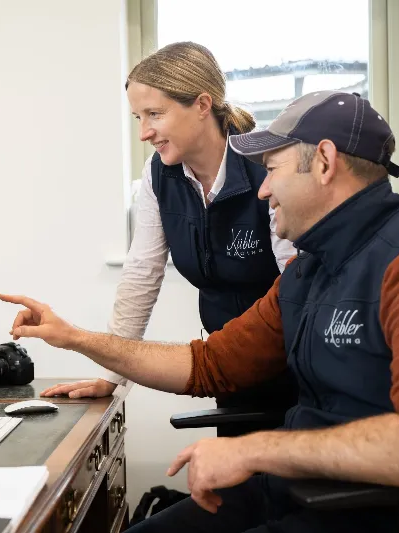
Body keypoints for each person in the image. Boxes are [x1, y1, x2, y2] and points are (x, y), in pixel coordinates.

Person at [1, 90, 399, 532]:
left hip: (370, 511)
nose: (264, 189)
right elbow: (209, 363)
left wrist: (253, 451)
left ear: (326, 163)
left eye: (273, 169)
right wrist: (77, 338)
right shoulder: (309, 269)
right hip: (293, 491)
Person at [41, 42, 297, 435]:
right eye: (138, 117)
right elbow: (142, 273)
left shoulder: (266, 167)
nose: (144, 132)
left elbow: (298, 287)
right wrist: (113, 376)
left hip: (295, 370)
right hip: (229, 370)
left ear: (201, 104)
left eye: (155, 114)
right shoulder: (160, 174)